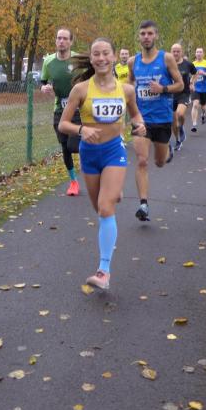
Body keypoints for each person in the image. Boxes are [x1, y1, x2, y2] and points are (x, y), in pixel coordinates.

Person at [58, 38, 146, 289]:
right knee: (99, 208)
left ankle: (103, 271)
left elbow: (135, 114)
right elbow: (63, 124)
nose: (101, 58)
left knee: (106, 208)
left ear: (114, 56)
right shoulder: (81, 90)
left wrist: (139, 124)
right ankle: (112, 190)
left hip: (114, 151)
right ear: (91, 59)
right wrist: (81, 130)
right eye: (96, 54)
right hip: (89, 154)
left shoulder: (126, 90)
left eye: (106, 53)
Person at [128, 20, 183, 221]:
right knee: (142, 160)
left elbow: (180, 84)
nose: (146, 37)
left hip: (162, 118)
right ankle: (143, 204)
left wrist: (163, 89)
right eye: (143, 33)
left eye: (150, 33)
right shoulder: (132, 62)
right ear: (139, 36)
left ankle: (167, 151)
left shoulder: (166, 58)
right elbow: (130, 83)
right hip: (141, 119)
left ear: (156, 36)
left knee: (159, 162)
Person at [41, 28, 81, 196]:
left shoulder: (78, 59)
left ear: (71, 41)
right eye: (59, 38)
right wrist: (44, 87)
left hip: (79, 109)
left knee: (74, 146)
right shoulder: (48, 61)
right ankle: (73, 182)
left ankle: (92, 163)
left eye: (65, 38)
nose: (61, 41)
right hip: (60, 109)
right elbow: (44, 80)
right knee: (65, 147)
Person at [170, 43, 196, 154]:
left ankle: (181, 127)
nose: (176, 53)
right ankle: (177, 140)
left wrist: (192, 82)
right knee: (173, 121)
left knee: (180, 114)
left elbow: (195, 73)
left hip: (183, 94)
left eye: (178, 51)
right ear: (171, 52)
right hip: (170, 95)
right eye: (174, 51)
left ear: (182, 52)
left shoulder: (187, 64)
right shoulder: (166, 64)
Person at [190, 47, 206, 133]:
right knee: (195, 105)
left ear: (203, 54)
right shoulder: (192, 64)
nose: (199, 54)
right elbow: (191, 76)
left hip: (204, 88)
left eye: (200, 52)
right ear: (195, 54)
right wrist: (191, 83)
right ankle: (194, 124)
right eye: (197, 52)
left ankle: (203, 114)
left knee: (203, 105)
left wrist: (204, 73)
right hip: (195, 88)